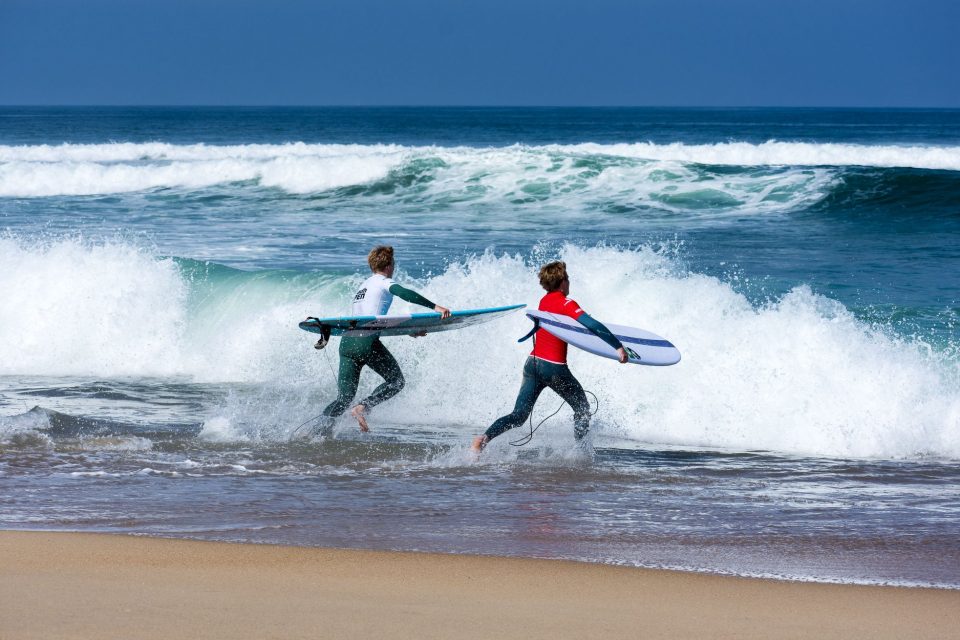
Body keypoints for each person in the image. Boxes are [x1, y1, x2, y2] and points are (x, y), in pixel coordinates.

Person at [471, 261, 627, 452]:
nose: (569, 283)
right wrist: (618, 347)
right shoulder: (566, 302)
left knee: (519, 415)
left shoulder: (544, 300)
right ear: (562, 281)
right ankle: (581, 453)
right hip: (554, 367)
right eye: (567, 279)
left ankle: (483, 438)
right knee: (582, 408)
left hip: (532, 363)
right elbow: (593, 325)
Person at [318, 245, 450, 434]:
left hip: (347, 343)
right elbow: (405, 293)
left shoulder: (363, 286)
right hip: (366, 343)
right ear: (389, 265)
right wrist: (435, 307)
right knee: (396, 381)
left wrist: (409, 331)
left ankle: (319, 430)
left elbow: (373, 319)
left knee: (344, 398)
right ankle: (362, 407)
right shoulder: (383, 283)